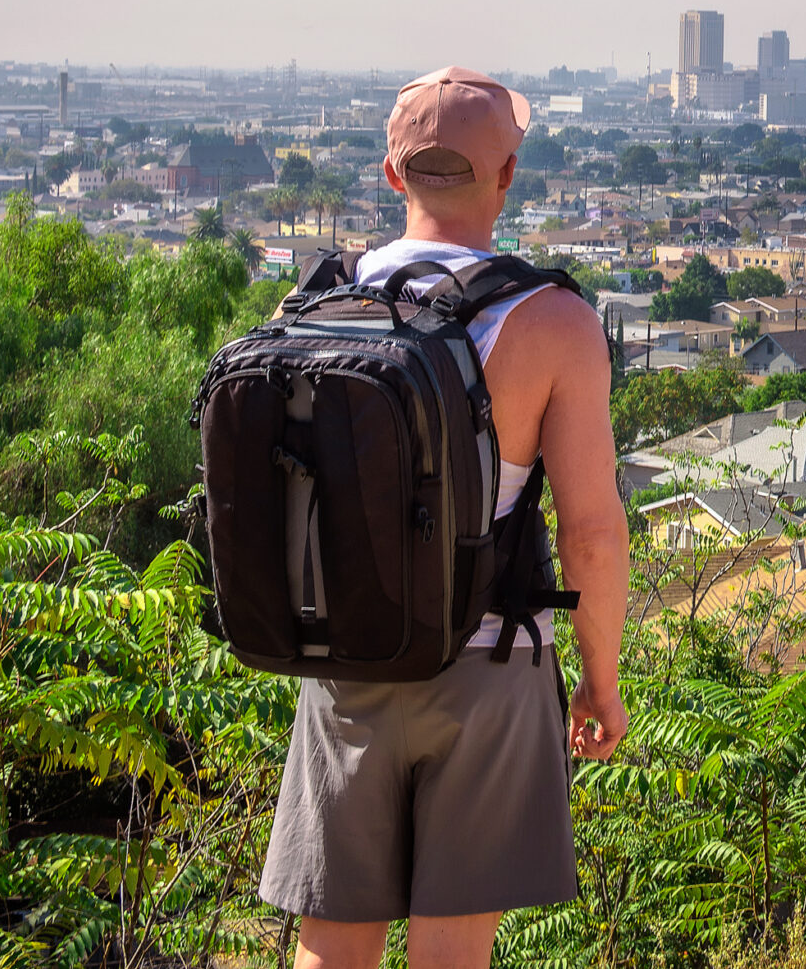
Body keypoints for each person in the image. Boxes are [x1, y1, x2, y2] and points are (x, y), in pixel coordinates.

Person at [258, 66, 629, 969]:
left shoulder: (311, 305)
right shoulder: (552, 320)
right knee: (452, 957)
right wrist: (600, 680)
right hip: (488, 664)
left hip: (346, 657)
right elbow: (590, 535)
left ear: (394, 174)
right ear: (507, 177)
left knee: (328, 948)